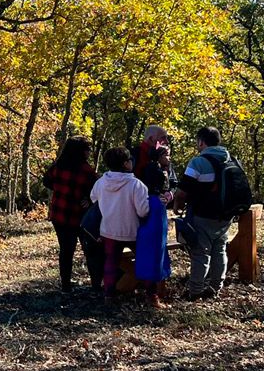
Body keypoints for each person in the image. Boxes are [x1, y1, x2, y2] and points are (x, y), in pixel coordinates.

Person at [176, 126, 243, 300]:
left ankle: (195, 291)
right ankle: (215, 287)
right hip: (226, 215)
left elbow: (183, 191)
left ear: (201, 141)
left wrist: (177, 204)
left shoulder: (198, 162)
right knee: (220, 249)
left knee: (200, 252)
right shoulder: (232, 159)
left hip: (203, 214)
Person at [91, 147, 150, 301]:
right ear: (126, 164)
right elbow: (143, 211)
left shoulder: (101, 182)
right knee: (145, 260)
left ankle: (108, 294)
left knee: (110, 262)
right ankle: (152, 294)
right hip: (133, 231)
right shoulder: (136, 185)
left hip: (108, 230)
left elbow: (93, 199)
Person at [43, 136, 101, 292]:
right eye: (87, 149)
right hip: (80, 216)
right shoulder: (86, 170)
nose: (89, 152)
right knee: (90, 250)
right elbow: (98, 190)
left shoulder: (58, 166)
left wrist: (59, 189)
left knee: (66, 250)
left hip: (59, 213)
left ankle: (66, 285)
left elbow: (46, 181)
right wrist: (88, 200)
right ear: (81, 152)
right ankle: (96, 285)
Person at [135, 146, 173, 308]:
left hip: (154, 208)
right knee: (156, 252)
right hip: (155, 210)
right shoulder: (157, 171)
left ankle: (152, 290)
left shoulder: (147, 171)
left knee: (154, 252)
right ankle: (152, 294)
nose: (169, 159)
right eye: (167, 155)